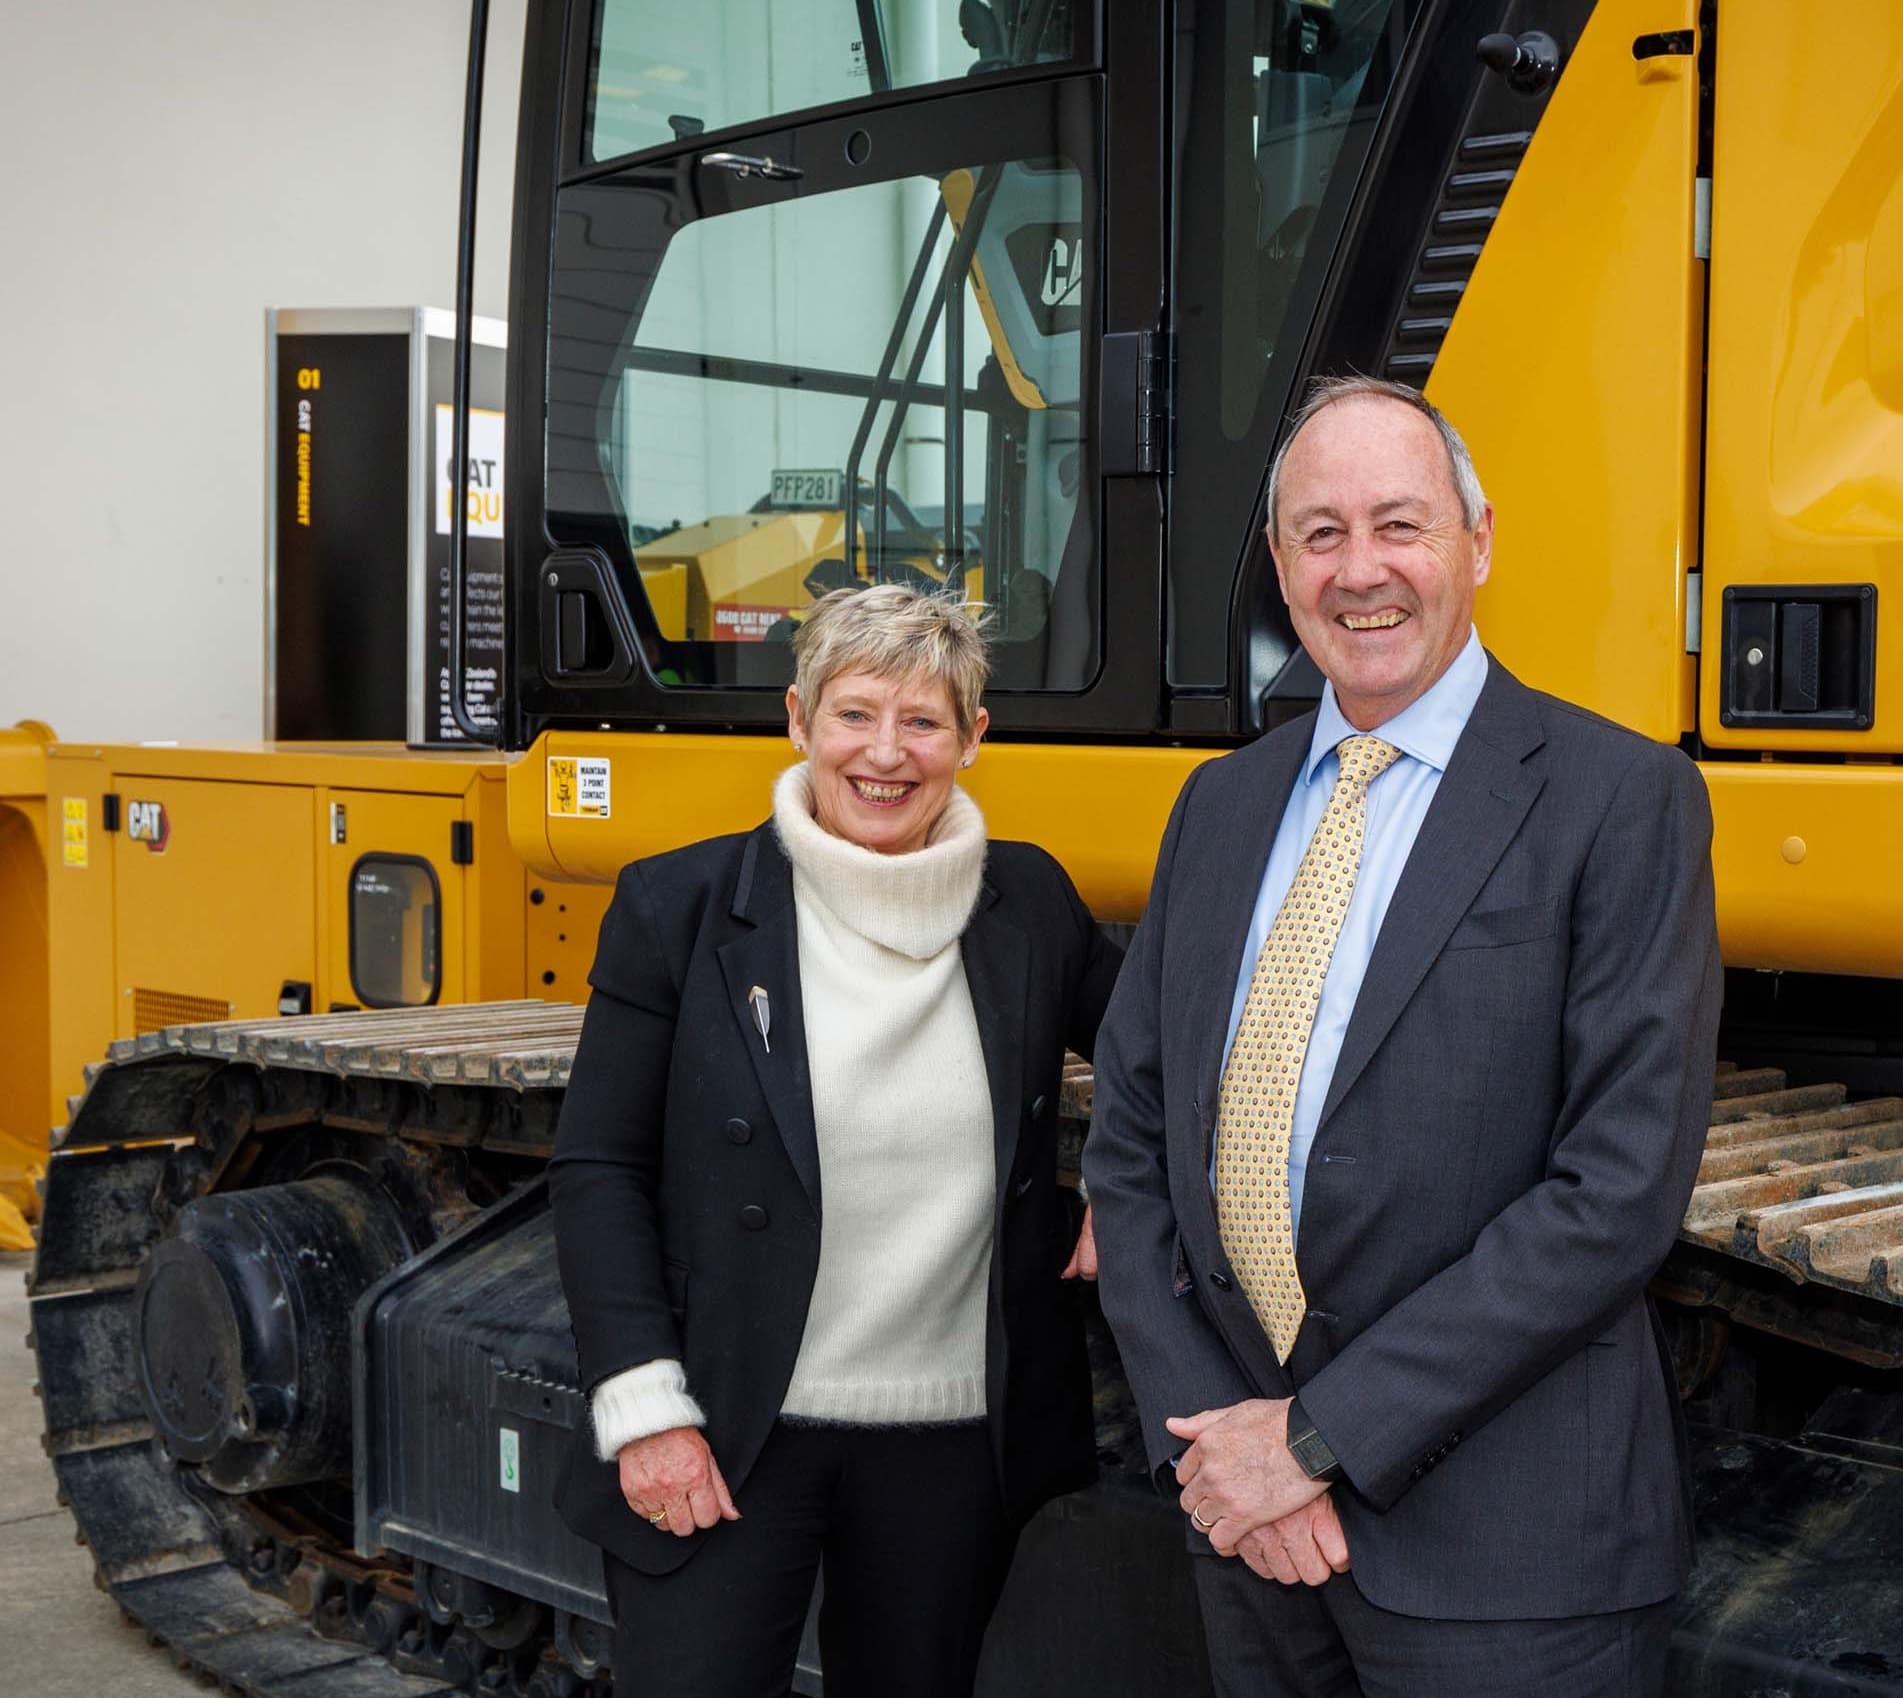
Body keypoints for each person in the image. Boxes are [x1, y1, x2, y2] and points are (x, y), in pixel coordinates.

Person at [1084, 375, 1722, 1695]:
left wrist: (1312, 1440)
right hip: (1248, 1535)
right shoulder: (1218, 807)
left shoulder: (1620, 798)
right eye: (1320, 534)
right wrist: (1218, 1450)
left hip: (1507, 1568)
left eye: (1399, 525)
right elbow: (1132, 1146)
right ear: (1280, 567)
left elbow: (1613, 1194)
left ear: (1476, 542)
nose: (1360, 570)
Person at [548, 584, 1121, 1698]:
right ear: (800, 719)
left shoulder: (1031, 903)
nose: (886, 753)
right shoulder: (680, 906)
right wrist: (644, 1407)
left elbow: (1165, 1052)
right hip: (724, 1427)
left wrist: (1123, 1179)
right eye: (856, 714)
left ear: (972, 738)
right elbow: (599, 1168)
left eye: (923, 721)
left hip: (951, 1443)